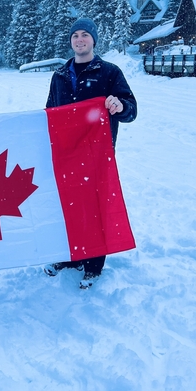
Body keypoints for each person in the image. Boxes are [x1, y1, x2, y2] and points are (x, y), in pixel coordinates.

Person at [44, 18, 137, 289]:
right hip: (66, 154)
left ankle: (94, 264)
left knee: (95, 208)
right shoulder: (60, 75)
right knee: (69, 205)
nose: (80, 40)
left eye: (85, 35)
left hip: (97, 155)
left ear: (94, 40)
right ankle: (71, 256)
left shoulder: (109, 72)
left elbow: (131, 108)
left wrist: (119, 105)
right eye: (75, 36)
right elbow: (50, 112)